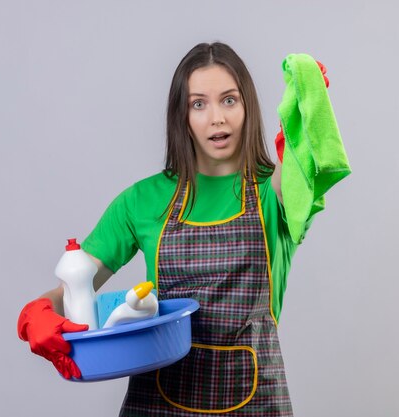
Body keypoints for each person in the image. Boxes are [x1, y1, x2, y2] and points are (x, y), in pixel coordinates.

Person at [17, 42, 349, 416]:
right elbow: (75, 288)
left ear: (247, 107)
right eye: (198, 104)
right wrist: (39, 310)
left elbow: (308, 168)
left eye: (229, 100)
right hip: (158, 402)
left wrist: (306, 120)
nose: (216, 118)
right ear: (182, 116)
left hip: (256, 403)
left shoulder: (274, 193)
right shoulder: (143, 201)